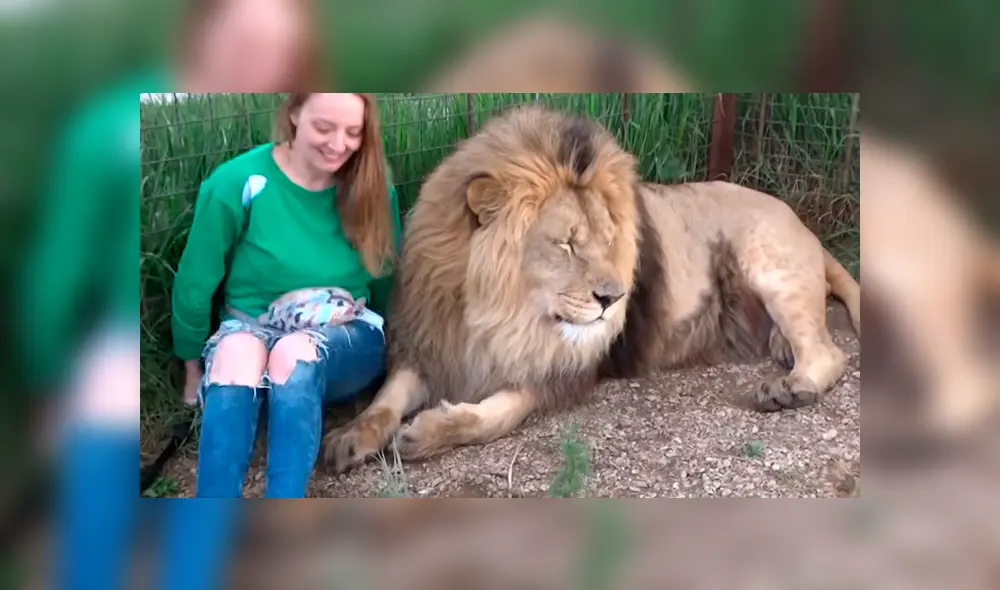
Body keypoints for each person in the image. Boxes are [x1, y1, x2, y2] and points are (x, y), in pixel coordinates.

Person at [170, 93, 402, 498]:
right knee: (234, 353)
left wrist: (400, 354)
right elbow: (195, 280)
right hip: (251, 325)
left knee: (292, 352)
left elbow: (386, 278)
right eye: (324, 128)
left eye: (354, 132)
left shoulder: (374, 185)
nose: (338, 145)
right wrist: (192, 367)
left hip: (345, 334)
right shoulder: (236, 182)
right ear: (294, 112)